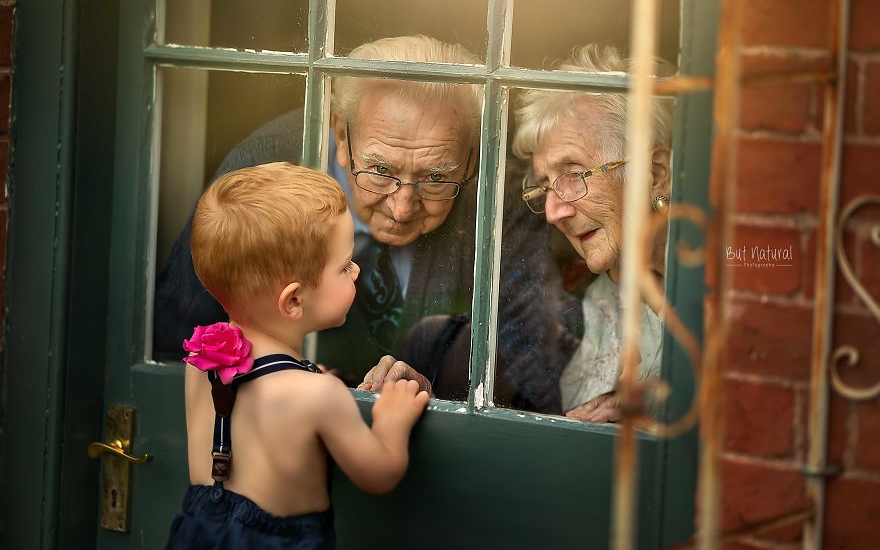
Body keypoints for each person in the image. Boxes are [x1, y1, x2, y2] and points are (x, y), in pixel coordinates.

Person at [154, 35, 579, 414]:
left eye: (436, 177)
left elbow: (534, 369)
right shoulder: (261, 173)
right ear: (341, 138)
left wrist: (445, 391)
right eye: (380, 170)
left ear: (472, 158)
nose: (402, 206)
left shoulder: (501, 199)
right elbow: (178, 347)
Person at [165, 163, 429, 549]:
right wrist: (392, 421)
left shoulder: (203, 362)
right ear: (293, 300)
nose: (356, 271)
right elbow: (379, 475)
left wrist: (307, 372)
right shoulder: (319, 395)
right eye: (343, 267)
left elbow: (259, 411)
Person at [513, 43, 674, 423]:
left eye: (573, 175)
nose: (553, 212)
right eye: (545, 186)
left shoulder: (743, 274)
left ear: (656, 173)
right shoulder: (606, 300)